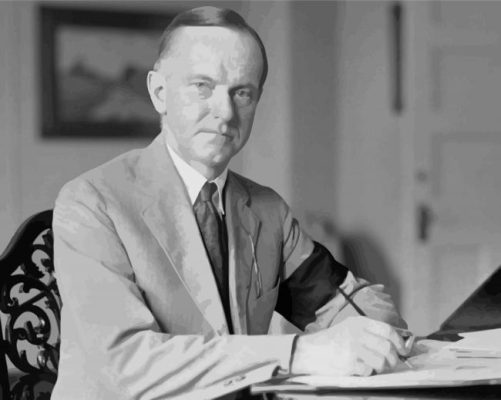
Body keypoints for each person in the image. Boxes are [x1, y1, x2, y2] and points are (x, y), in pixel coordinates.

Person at [51, 6, 410, 400]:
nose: (225, 112)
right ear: (159, 93)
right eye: (202, 86)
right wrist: (299, 353)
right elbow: (123, 364)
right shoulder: (91, 203)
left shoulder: (267, 211)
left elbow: (353, 304)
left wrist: (371, 335)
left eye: (242, 92)